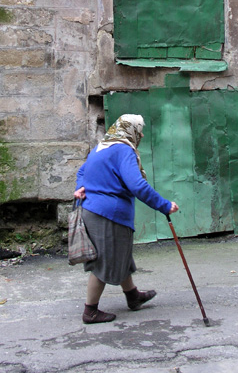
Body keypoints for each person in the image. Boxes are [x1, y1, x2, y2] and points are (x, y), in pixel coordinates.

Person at [74, 113, 179, 324]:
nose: (140, 135)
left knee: (120, 255)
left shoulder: (101, 148)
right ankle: (90, 311)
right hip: (108, 215)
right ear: (131, 130)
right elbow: (137, 185)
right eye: (139, 130)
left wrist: (80, 188)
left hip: (94, 211)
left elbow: (81, 172)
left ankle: (133, 296)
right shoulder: (123, 150)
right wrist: (164, 205)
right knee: (104, 261)